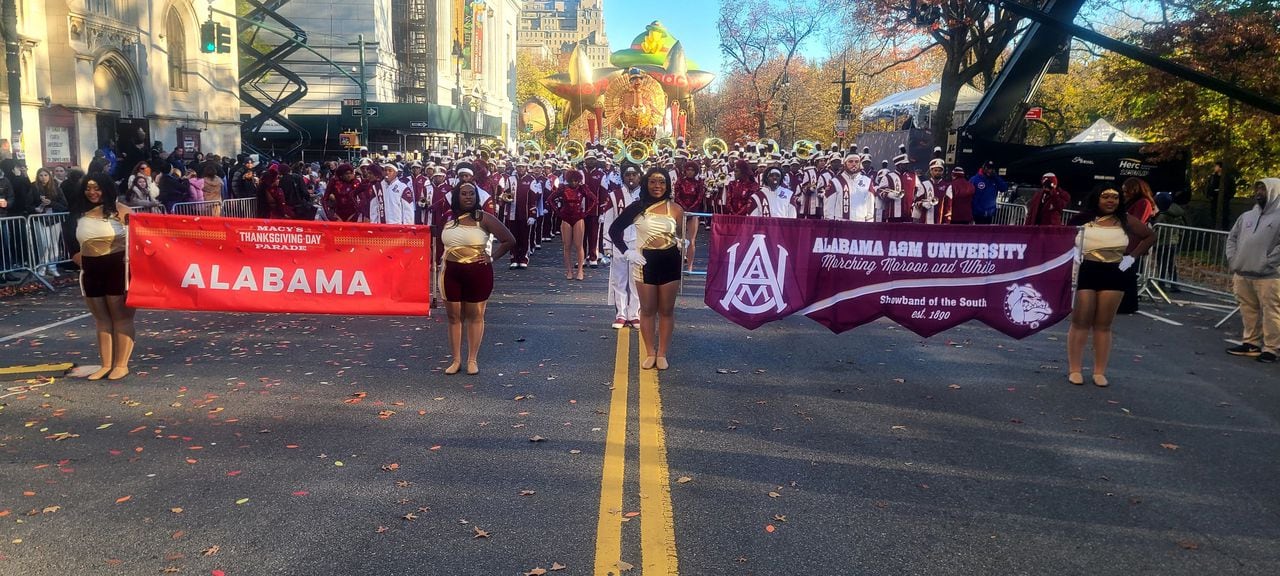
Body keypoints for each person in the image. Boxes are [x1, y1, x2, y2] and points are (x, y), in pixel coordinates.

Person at [1066, 186, 1156, 387]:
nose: (1110, 201)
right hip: (1086, 270)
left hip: (1114, 272)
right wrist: (1071, 260)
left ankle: (1099, 371)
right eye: (1105, 197)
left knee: (1104, 324)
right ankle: (1075, 368)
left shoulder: (1125, 219)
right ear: (1097, 198)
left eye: (1115, 197)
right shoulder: (1083, 219)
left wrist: (1131, 258)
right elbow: (1061, 237)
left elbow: (1150, 236)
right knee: (1081, 321)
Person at [608, 168, 685, 371]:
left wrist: (682, 241)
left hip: (670, 261)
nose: (657, 186)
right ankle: (650, 352)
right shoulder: (637, 207)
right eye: (652, 182)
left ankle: (662, 353)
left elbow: (682, 234)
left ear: (667, 184)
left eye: (661, 182)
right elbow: (614, 230)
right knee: (648, 310)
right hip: (645, 263)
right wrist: (627, 252)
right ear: (646, 183)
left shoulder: (676, 209)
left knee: (666, 310)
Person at [64, 174, 136, 380]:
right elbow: (69, 239)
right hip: (91, 271)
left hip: (119, 269)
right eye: (88, 188)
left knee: (120, 316)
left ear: (106, 188)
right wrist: (77, 258)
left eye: (97, 188)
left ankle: (121, 364)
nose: (92, 192)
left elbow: (141, 237)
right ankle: (106, 364)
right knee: (101, 319)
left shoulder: (120, 211)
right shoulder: (77, 213)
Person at [440, 182, 515, 375]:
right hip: (450, 272)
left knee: (475, 315)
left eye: (471, 194)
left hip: (478, 272)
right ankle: (456, 360)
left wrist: (492, 257)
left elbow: (509, 240)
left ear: (476, 197)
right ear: (457, 196)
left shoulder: (484, 218)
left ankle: (472, 359)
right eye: (463, 194)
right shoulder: (447, 218)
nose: (468, 197)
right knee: (454, 317)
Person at [1225, 178, 1280, 363]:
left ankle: (1272, 348)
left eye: (1263, 189)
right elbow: (1232, 238)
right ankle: (1251, 343)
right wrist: (1233, 260)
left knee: (1271, 312)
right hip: (1243, 271)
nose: (1259, 193)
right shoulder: (1247, 216)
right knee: (1248, 310)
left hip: (1270, 276)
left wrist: (1269, 262)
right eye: (1257, 189)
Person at [600, 166, 643, 328]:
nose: (631, 178)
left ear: (639, 176)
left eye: (634, 174)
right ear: (623, 177)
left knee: (636, 280)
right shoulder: (614, 195)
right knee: (619, 280)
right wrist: (607, 244)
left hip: (639, 243)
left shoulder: (646, 196)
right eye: (627, 175)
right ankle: (621, 314)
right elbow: (608, 221)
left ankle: (634, 314)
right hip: (619, 243)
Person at [545, 169, 596, 281]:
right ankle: (569, 270)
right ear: (568, 180)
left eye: (576, 181)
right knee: (567, 246)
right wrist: (558, 212)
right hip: (566, 217)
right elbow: (550, 199)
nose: (574, 183)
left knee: (579, 245)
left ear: (579, 180)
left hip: (578, 217)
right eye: (572, 181)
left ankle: (580, 270)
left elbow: (594, 200)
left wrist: (586, 212)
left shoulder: (583, 188)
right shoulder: (563, 188)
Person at [31, 168, 68, 277]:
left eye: (45, 175)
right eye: (41, 175)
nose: (43, 178)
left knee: (54, 244)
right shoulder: (34, 187)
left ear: (49, 176)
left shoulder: (56, 187)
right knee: (44, 244)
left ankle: (52, 267)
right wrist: (36, 208)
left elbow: (64, 204)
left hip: (54, 218)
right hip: (40, 219)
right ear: (38, 176)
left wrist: (51, 203)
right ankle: (42, 266)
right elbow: (28, 204)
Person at [673, 162, 706, 272]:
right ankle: (679, 263)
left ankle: (690, 266)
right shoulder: (679, 182)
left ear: (695, 171)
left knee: (691, 240)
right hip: (680, 212)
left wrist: (691, 209)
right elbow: (676, 197)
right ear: (685, 170)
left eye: (692, 170)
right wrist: (683, 209)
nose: (690, 172)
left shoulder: (698, 184)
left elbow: (699, 198)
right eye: (688, 169)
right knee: (679, 239)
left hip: (693, 212)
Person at [1151, 192, 1186, 293]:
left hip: (1163, 242)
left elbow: (1159, 230)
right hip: (1173, 241)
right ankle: (1174, 284)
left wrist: (1153, 239)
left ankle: (1161, 285)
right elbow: (1181, 228)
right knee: (1171, 263)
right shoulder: (1178, 214)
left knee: (1161, 263)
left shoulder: (1162, 216)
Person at [825, 153, 875, 222]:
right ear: (845, 163)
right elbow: (829, 208)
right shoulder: (835, 181)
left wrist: (869, 223)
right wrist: (830, 225)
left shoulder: (867, 181)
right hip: (840, 223)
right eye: (850, 161)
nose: (854, 164)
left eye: (856, 162)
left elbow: (870, 204)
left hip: (861, 223)